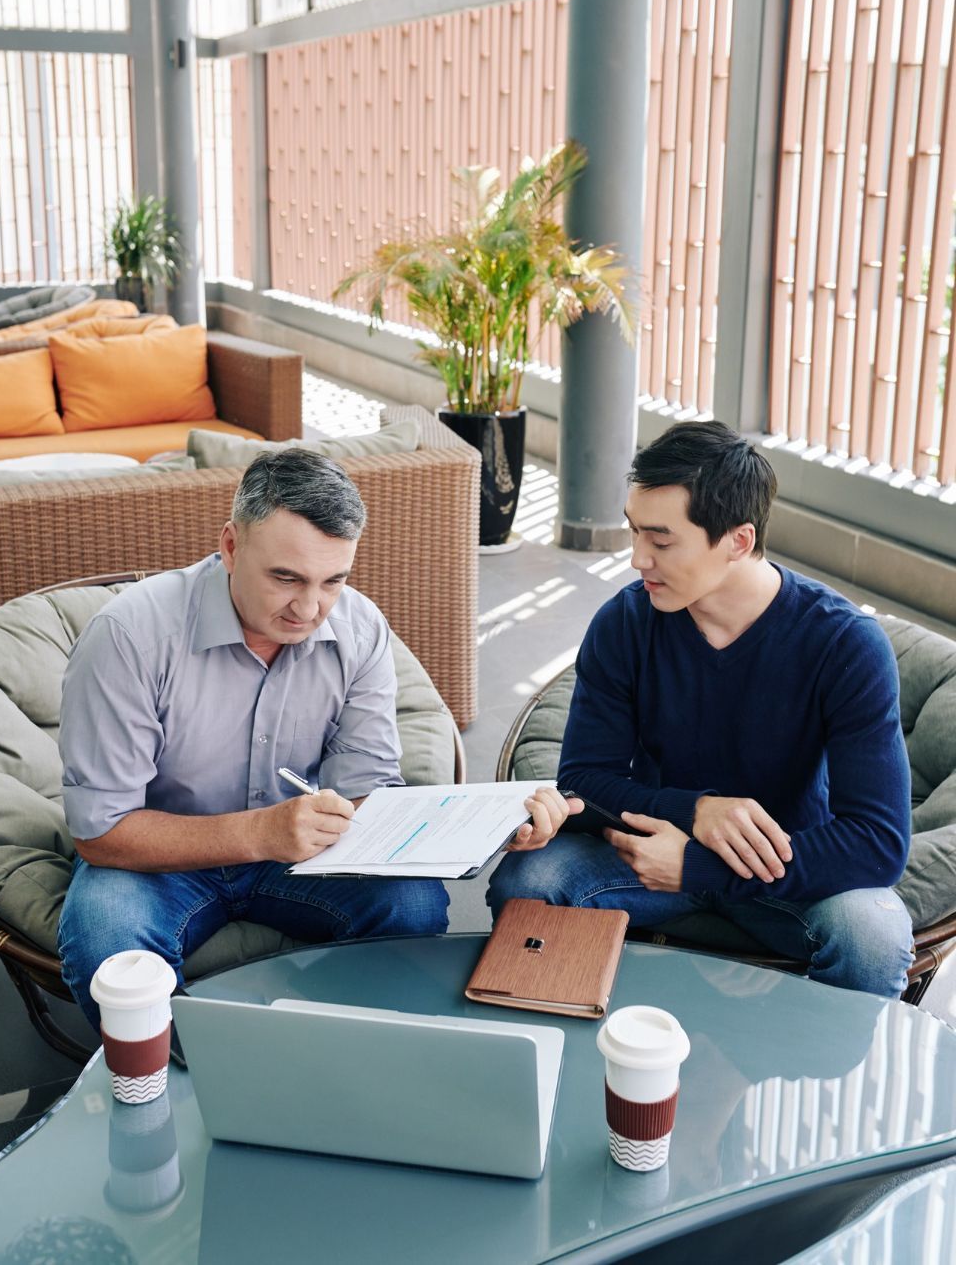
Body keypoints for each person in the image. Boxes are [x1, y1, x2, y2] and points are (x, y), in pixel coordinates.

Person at [58, 446, 572, 1030]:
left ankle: (337, 1049)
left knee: (413, 903)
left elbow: (367, 797)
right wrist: (262, 832)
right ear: (230, 546)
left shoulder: (358, 627)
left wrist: (480, 835)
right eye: (285, 578)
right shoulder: (128, 636)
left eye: (333, 580)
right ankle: (192, 1078)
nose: (310, 608)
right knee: (103, 938)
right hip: (162, 857)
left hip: (305, 851)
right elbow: (100, 833)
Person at [488, 421, 914, 999]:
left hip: (783, 872)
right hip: (648, 851)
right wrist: (699, 812)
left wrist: (701, 866)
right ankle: (570, 1056)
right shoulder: (625, 623)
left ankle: (810, 1080)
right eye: (635, 532)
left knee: (872, 936)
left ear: (738, 540)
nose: (638, 558)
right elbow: (586, 779)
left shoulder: (844, 645)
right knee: (527, 880)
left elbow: (877, 841)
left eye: (661, 541)